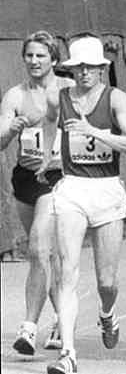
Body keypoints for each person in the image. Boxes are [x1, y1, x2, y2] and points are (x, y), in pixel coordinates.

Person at [43, 35, 126, 374]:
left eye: (91, 67)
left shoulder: (115, 98)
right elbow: (49, 126)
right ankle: (68, 353)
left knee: (106, 281)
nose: (84, 73)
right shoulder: (61, 98)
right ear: (71, 70)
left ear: (102, 69)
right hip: (72, 188)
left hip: (107, 188)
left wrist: (93, 131)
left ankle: (107, 313)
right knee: (67, 271)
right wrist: (47, 158)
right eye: (78, 67)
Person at [0, 31, 73, 356]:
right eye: (29, 55)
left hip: (57, 178)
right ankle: (62, 318)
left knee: (37, 249)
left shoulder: (68, 91)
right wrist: (9, 130)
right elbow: (0, 141)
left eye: (41, 55)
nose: (34, 61)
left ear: (54, 59)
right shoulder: (15, 95)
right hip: (25, 178)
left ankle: (28, 327)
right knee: (47, 257)